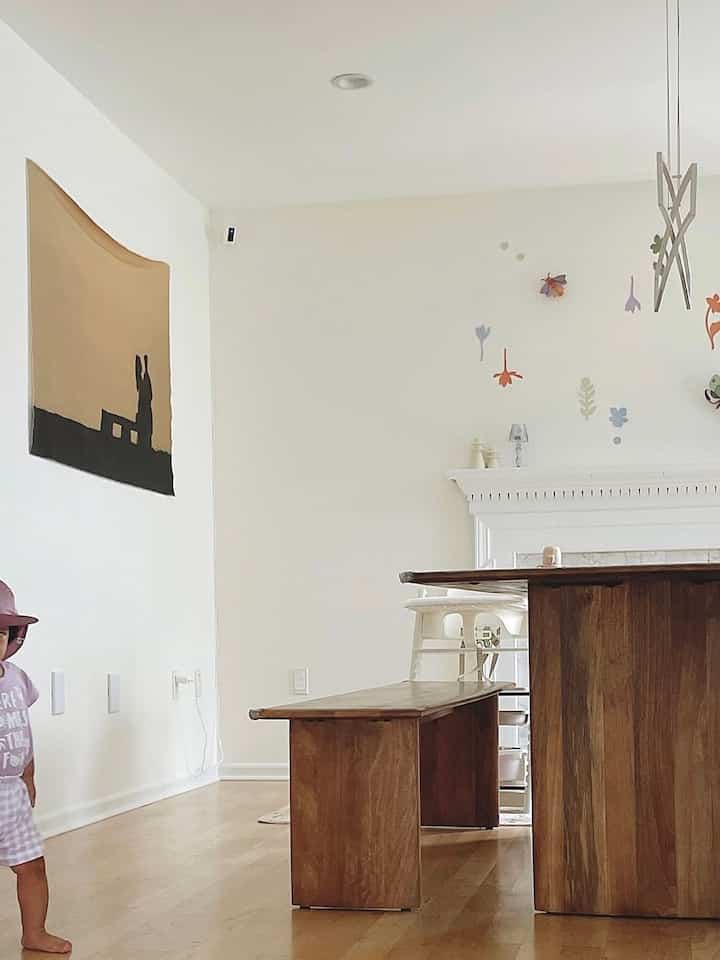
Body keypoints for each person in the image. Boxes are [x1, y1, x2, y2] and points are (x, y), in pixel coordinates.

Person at [0, 581, 71, 954]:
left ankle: (34, 932)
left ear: (13, 637)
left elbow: (23, 732)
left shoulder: (17, 677)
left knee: (32, 865)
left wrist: (28, 775)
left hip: (11, 793)